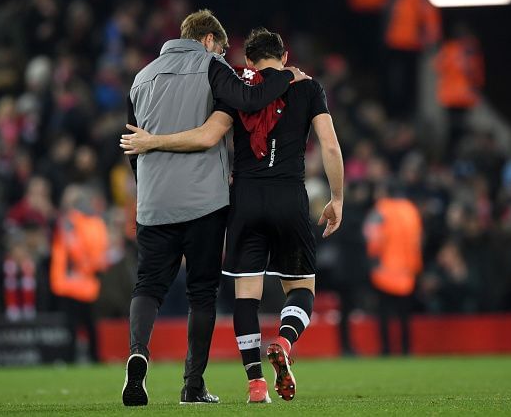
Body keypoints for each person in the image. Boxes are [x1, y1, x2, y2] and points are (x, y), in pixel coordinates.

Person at [121, 27, 344, 403]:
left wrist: (150, 145)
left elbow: (213, 133)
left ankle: (255, 384)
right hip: (288, 196)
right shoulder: (308, 87)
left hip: (243, 200)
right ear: (285, 56)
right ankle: (282, 345)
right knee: (300, 288)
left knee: (244, 295)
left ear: (249, 61)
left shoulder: (233, 89)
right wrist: (337, 197)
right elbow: (331, 147)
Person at [50, 185, 108, 362]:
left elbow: (74, 248)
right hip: (79, 282)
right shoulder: (93, 223)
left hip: (75, 281)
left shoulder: (73, 222)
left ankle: (74, 358)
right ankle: (90, 358)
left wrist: (85, 266)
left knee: (77, 326)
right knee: (84, 326)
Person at [363, 180, 422, 355]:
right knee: (404, 314)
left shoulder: (381, 209)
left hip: (384, 271)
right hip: (406, 271)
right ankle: (406, 348)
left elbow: (372, 237)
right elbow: (417, 241)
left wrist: (372, 261)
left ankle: (386, 349)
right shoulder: (411, 210)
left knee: (384, 314)